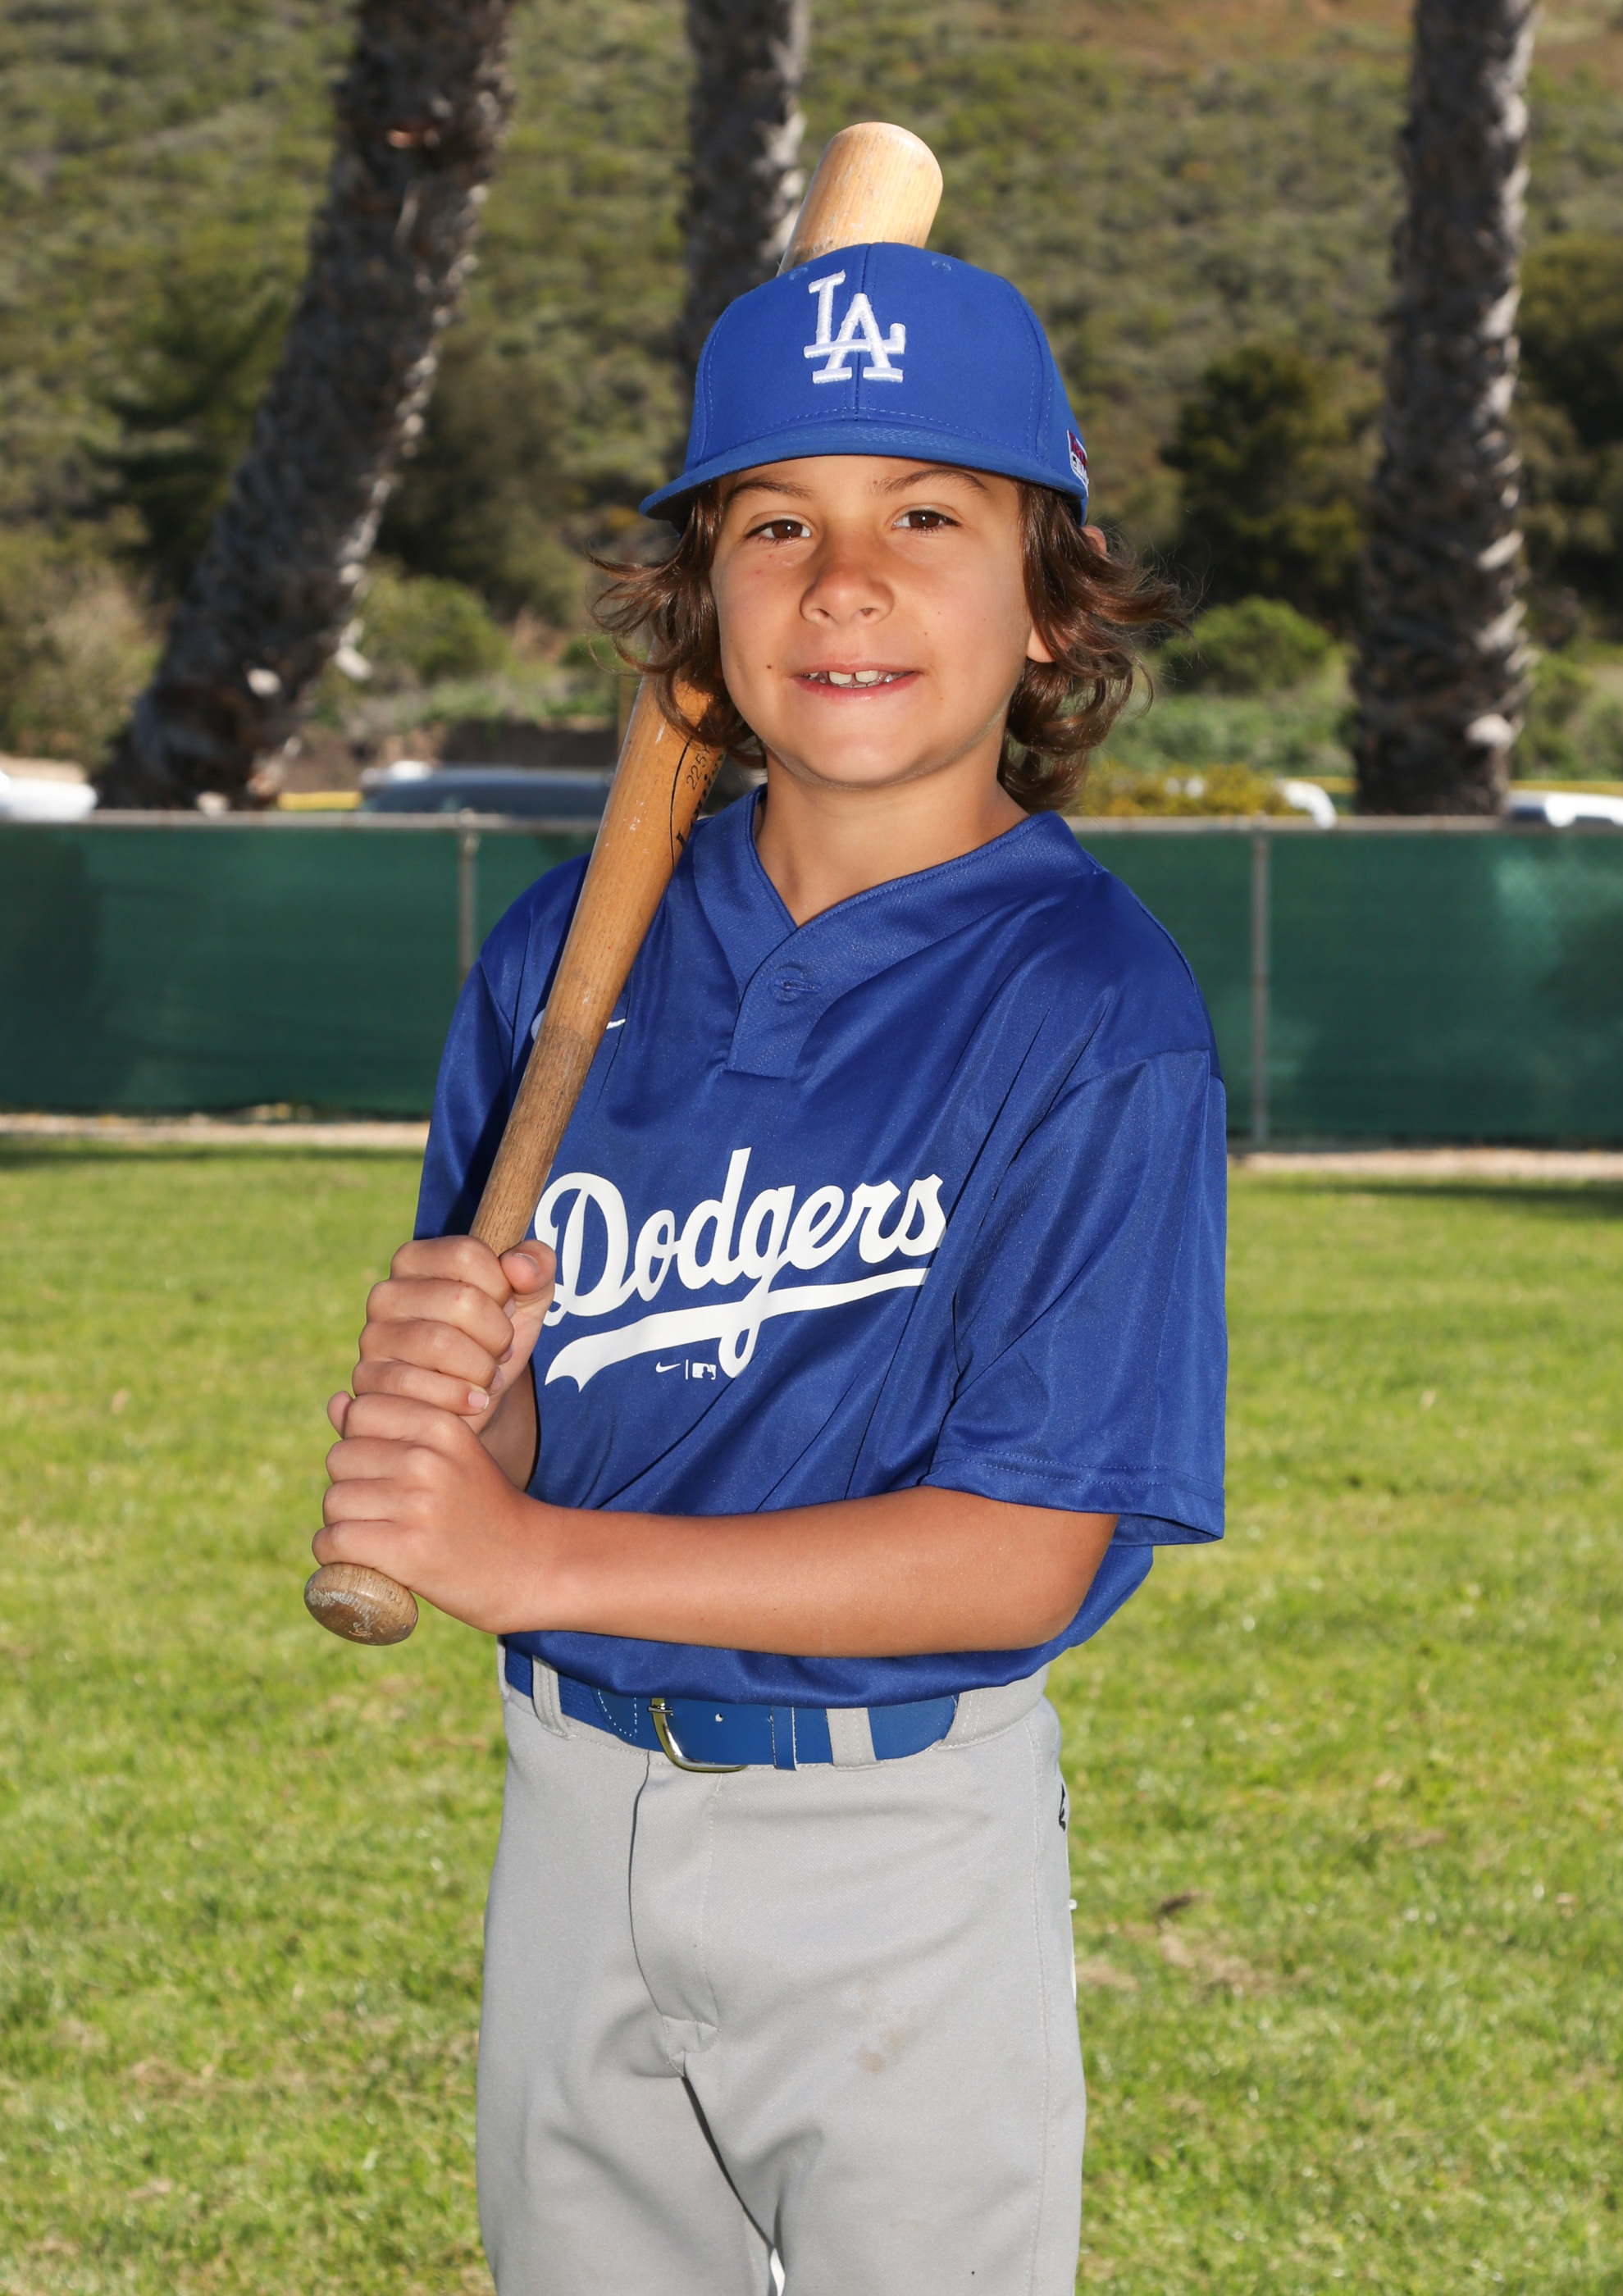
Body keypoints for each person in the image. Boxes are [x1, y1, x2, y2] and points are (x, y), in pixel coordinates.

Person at [314, 242, 1226, 2295]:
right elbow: (529, 1423)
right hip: (574, 1804)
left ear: (1048, 598)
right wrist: (469, 1396)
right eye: (776, 524)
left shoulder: (1094, 1001)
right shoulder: (566, 953)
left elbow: (1018, 1553)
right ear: (700, 602)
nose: (845, 583)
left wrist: (522, 1550)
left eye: (928, 516)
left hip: (894, 1843)